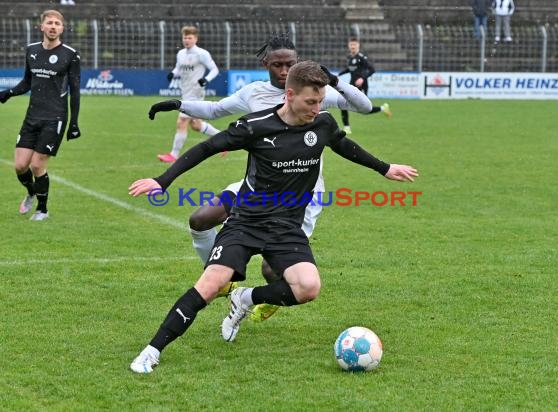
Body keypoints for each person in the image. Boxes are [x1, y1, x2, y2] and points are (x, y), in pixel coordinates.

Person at [128, 60, 418, 373]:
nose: (316, 108)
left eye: (320, 101)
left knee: (308, 287)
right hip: (247, 221)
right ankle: (152, 351)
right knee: (211, 285)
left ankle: (245, 298)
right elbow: (207, 148)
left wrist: (384, 168)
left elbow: (344, 145)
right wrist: (163, 180)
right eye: (310, 102)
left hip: (286, 227)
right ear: (289, 95)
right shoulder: (256, 125)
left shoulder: (322, 123)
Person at [147, 33, 376, 322]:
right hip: (256, 187)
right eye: (277, 65)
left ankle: (263, 299)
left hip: (299, 194)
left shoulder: (314, 92)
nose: (283, 71)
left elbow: (364, 107)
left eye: (289, 65)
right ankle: (221, 280)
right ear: (265, 63)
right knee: (201, 218)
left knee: (273, 271)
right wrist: (179, 105)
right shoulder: (252, 92)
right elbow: (215, 110)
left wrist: (333, 80)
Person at [0, 9, 81, 221]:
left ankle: (42, 210)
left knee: (37, 165)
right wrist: (8, 93)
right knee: (19, 166)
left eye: (57, 23)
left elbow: (75, 91)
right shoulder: (31, 50)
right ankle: (31, 192)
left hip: (55, 118)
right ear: (41, 26)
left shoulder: (70, 55)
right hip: (32, 116)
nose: (53, 26)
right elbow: (27, 82)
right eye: (50, 23)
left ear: (62, 28)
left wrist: (74, 123)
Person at [157, 25, 220, 163]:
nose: (187, 40)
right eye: (185, 37)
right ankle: (223, 138)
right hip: (185, 92)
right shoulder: (181, 54)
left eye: (190, 37)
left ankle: (173, 154)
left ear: (195, 39)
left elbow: (214, 69)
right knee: (196, 125)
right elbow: (178, 68)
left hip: (196, 93)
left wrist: (206, 79)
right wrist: (173, 74)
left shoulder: (201, 53)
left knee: (182, 121)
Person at [337, 37, 390, 135]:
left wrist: (362, 78)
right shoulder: (350, 58)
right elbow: (350, 69)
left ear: (358, 46)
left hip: (362, 86)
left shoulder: (362, 58)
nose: (353, 46)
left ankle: (383, 108)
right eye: (351, 44)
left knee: (365, 110)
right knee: (343, 104)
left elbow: (372, 70)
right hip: (352, 85)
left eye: (355, 44)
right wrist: (338, 75)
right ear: (349, 46)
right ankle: (347, 127)